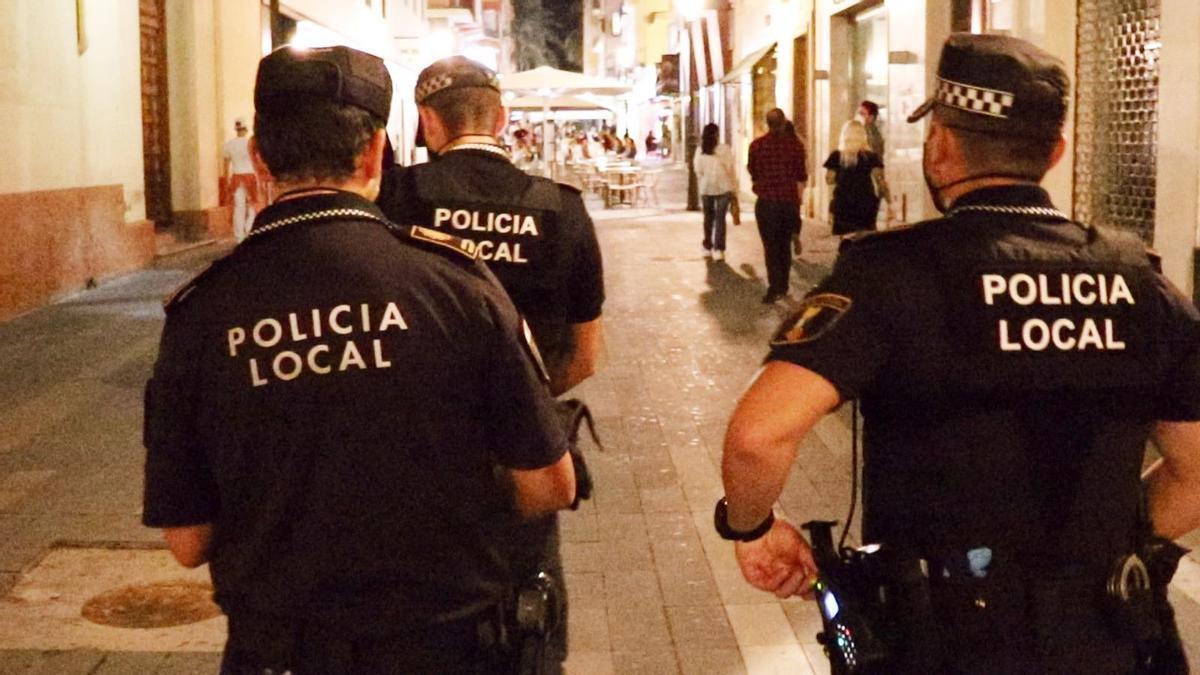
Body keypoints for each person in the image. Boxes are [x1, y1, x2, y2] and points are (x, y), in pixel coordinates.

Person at [717, 33, 1200, 673]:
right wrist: (1105, 547)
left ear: (941, 148)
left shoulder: (890, 272)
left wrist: (751, 528)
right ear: (1054, 153)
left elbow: (758, 435)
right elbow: (1196, 469)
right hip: (1107, 636)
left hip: (938, 640)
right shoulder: (1142, 281)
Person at [142, 45, 576, 674]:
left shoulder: (199, 315)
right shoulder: (458, 286)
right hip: (448, 650)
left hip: (278, 653)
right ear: (376, 153)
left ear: (261, 160)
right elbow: (549, 484)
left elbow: (187, 541)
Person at [377, 55, 606, 674]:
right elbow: (587, 355)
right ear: (502, 118)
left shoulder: (396, 198)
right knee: (526, 624)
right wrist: (525, 397)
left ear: (428, 123)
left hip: (413, 457)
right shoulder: (562, 209)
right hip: (526, 461)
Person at [747, 108, 808, 303]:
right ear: (783, 123)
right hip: (788, 202)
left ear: (767, 123)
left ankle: (774, 286)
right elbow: (801, 174)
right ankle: (784, 283)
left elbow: (753, 171)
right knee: (784, 244)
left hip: (766, 203)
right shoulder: (795, 146)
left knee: (770, 246)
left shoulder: (756, 146)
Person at [823, 119, 886, 237]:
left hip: (843, 203)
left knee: (846, 240)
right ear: (863, 136)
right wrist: (889, 201)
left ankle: (847, 254)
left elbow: (829, 180)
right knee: (864, 239)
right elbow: (880, 181)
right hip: (865, 202)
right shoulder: (870, 156)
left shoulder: (836, 156)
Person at [692, 123, 737, 261]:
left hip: (706, 188)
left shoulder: (700, 151)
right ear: (717, 135)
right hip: (724, 188)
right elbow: (730, 169)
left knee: (708, 218)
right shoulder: (725, 150)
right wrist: (735, 188)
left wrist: (706, 178)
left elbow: (698, 170)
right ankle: (719, 249)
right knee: (720, 219)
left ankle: (707, 246)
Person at [221, 117, 260, 241]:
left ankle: (239, 236)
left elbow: (226, 163)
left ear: (236, 129)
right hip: (250, 175)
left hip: (236, 177)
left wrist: (226, 179)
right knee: (253, 204)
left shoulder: (229, 145)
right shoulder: (251, 143)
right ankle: (249, 228)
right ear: (246, 129)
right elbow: (257, 161)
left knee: (239, 206)